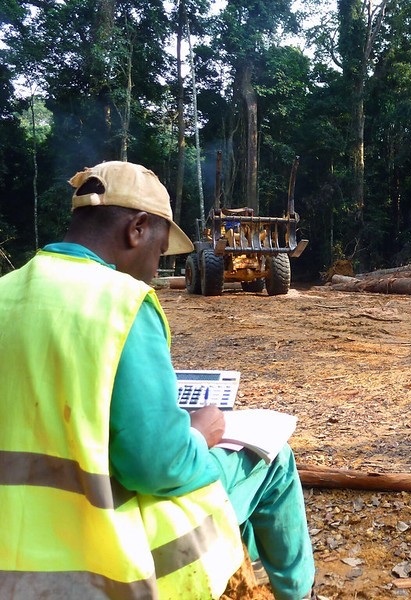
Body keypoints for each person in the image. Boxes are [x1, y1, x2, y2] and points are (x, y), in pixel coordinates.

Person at [0, 161, 315, 599]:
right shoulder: (122, 303)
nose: (154, 270)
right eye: (159, 251)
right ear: (138, 229)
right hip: (102, 550)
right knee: (274, 457)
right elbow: (158, 466)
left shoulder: (6, 290)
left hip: (15, 543)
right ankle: (295, 593)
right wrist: (198, 434)